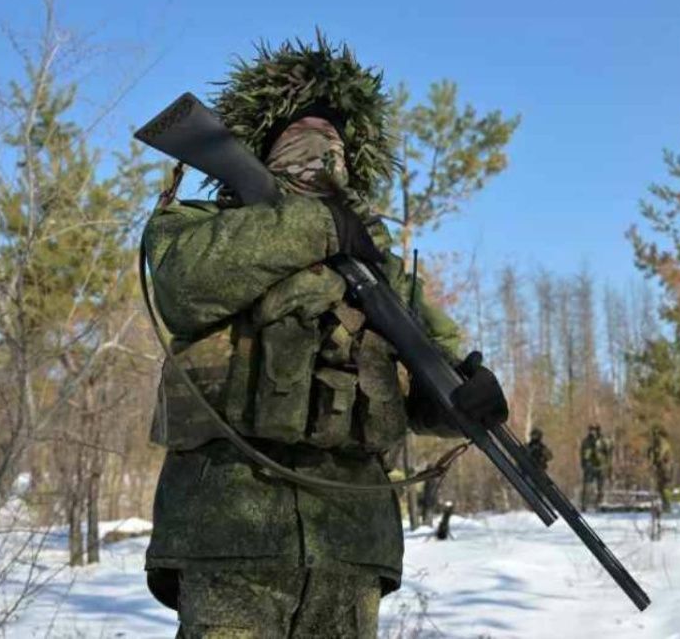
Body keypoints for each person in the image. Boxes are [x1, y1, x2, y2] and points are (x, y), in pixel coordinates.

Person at [141, 37, 505, 638]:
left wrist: (472, 399)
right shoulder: (197, 226)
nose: (322, 145)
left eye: (333, 133)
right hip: (228, 534)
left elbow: (429, 375)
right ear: (259, 146)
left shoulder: (380, 271)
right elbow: (185, 289)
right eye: (301, 128)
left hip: (350, 543)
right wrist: (321, 223)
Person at [579, 424, 610, 511]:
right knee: (587, 487)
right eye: (591, 430)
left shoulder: (603, 441)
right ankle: (584, 505)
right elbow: (583, 454)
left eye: (595, 430)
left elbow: (608, 452)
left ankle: (599, 504)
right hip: (590, 467)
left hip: (600, 466)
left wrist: (606, 464)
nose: (593, 432)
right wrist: (584, 465)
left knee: (601, 488)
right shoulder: (586, 441)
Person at [647, 424, 674, 513]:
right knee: (661, 487)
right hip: (661, 467)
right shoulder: (656, 443)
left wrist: (655, 460)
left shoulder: (662, 442)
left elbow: (660, 454)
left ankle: (667, 506)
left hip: (665, 467)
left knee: (664, 487)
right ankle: (665, 505)